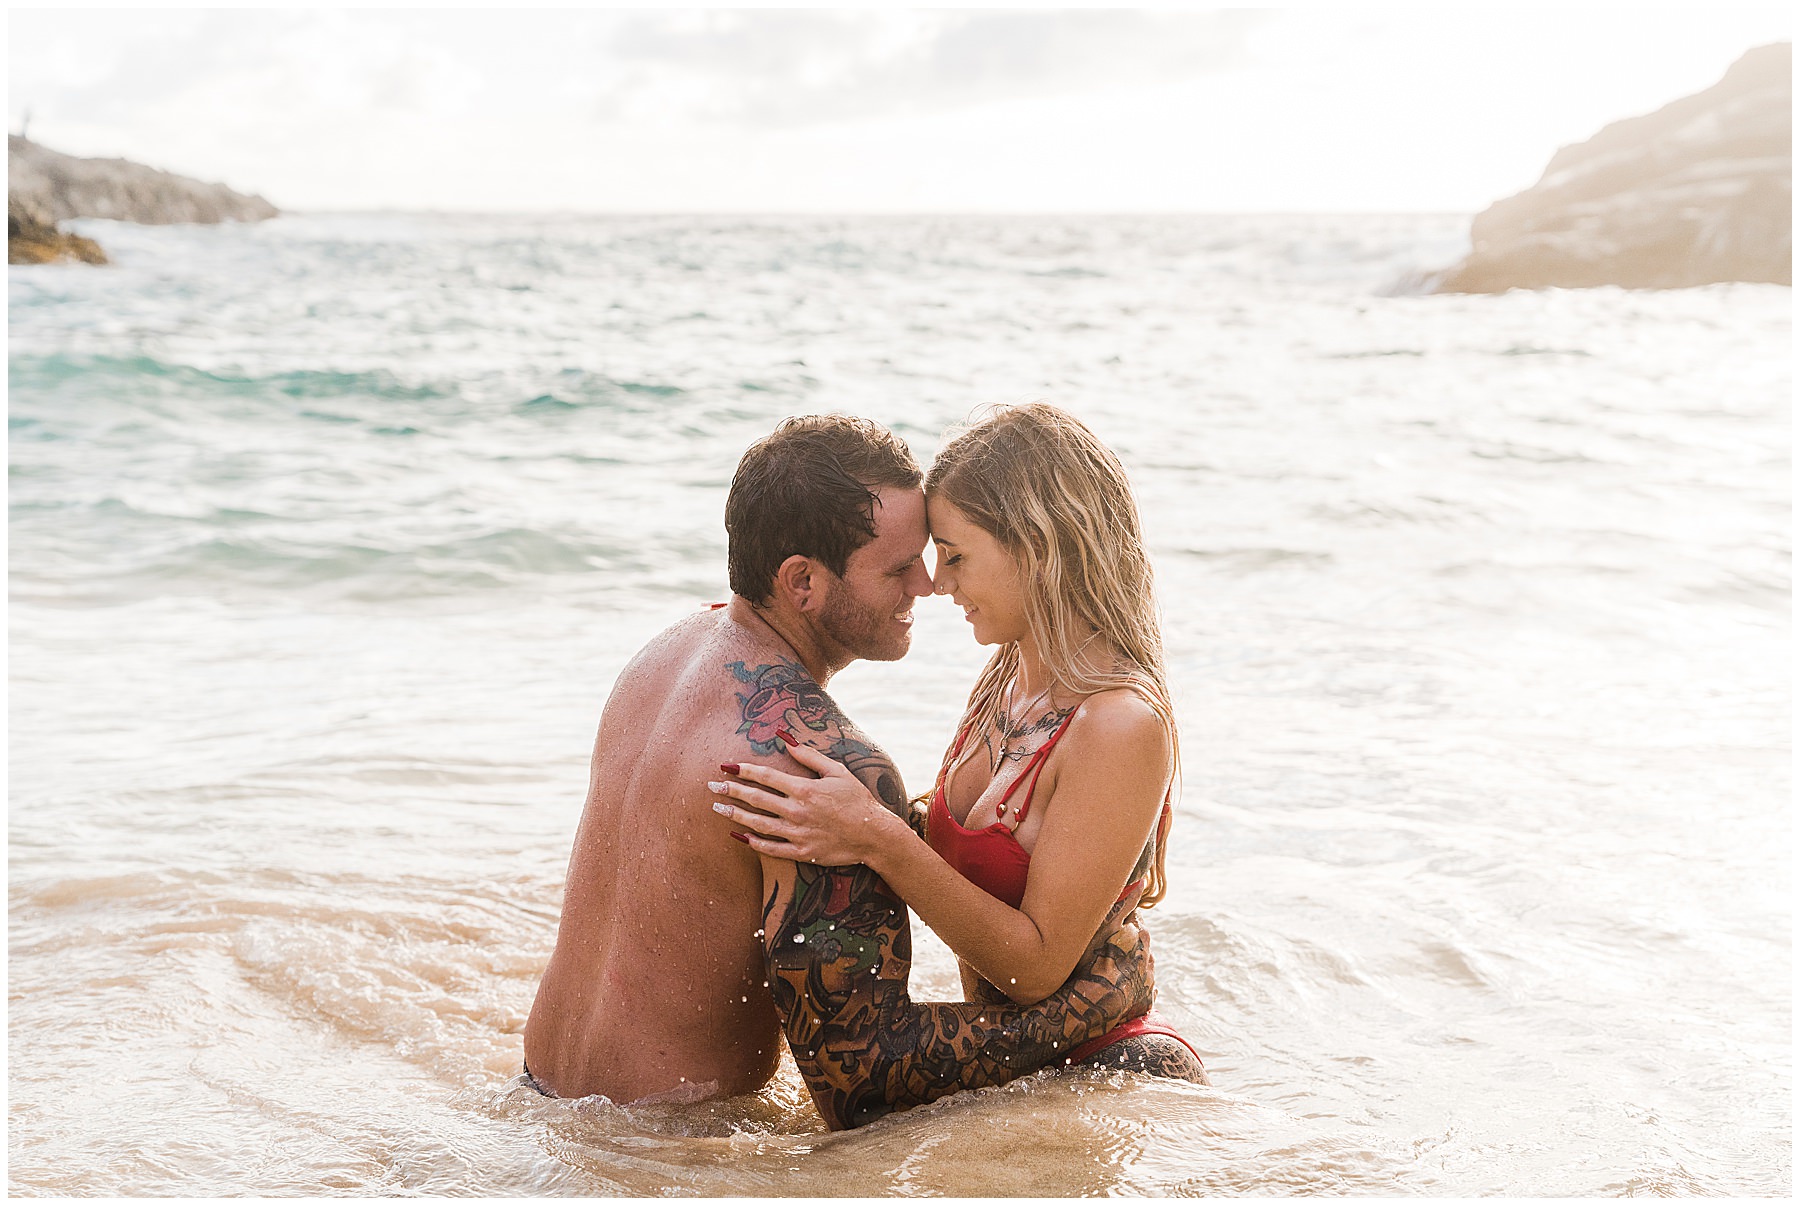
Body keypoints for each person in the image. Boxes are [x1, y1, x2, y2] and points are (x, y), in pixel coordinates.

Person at [523, 414, 1154, 1129]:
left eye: (940, 555)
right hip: (671, 1153)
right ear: (802, 583)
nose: (926, 583)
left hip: (541, 1108)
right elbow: (864, 1083)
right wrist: (1084, 1012)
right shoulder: (815, 762)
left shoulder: (664, 658)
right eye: (897, 567)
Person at [711, 404, 1207, 1081]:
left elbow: (1034, 970)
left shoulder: (1119, 725)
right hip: (1013, 1065)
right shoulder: (1009, 670)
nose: (937, 583)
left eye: (956, 555)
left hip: (1104, 1072)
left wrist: (878, 838)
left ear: (1036, 549)